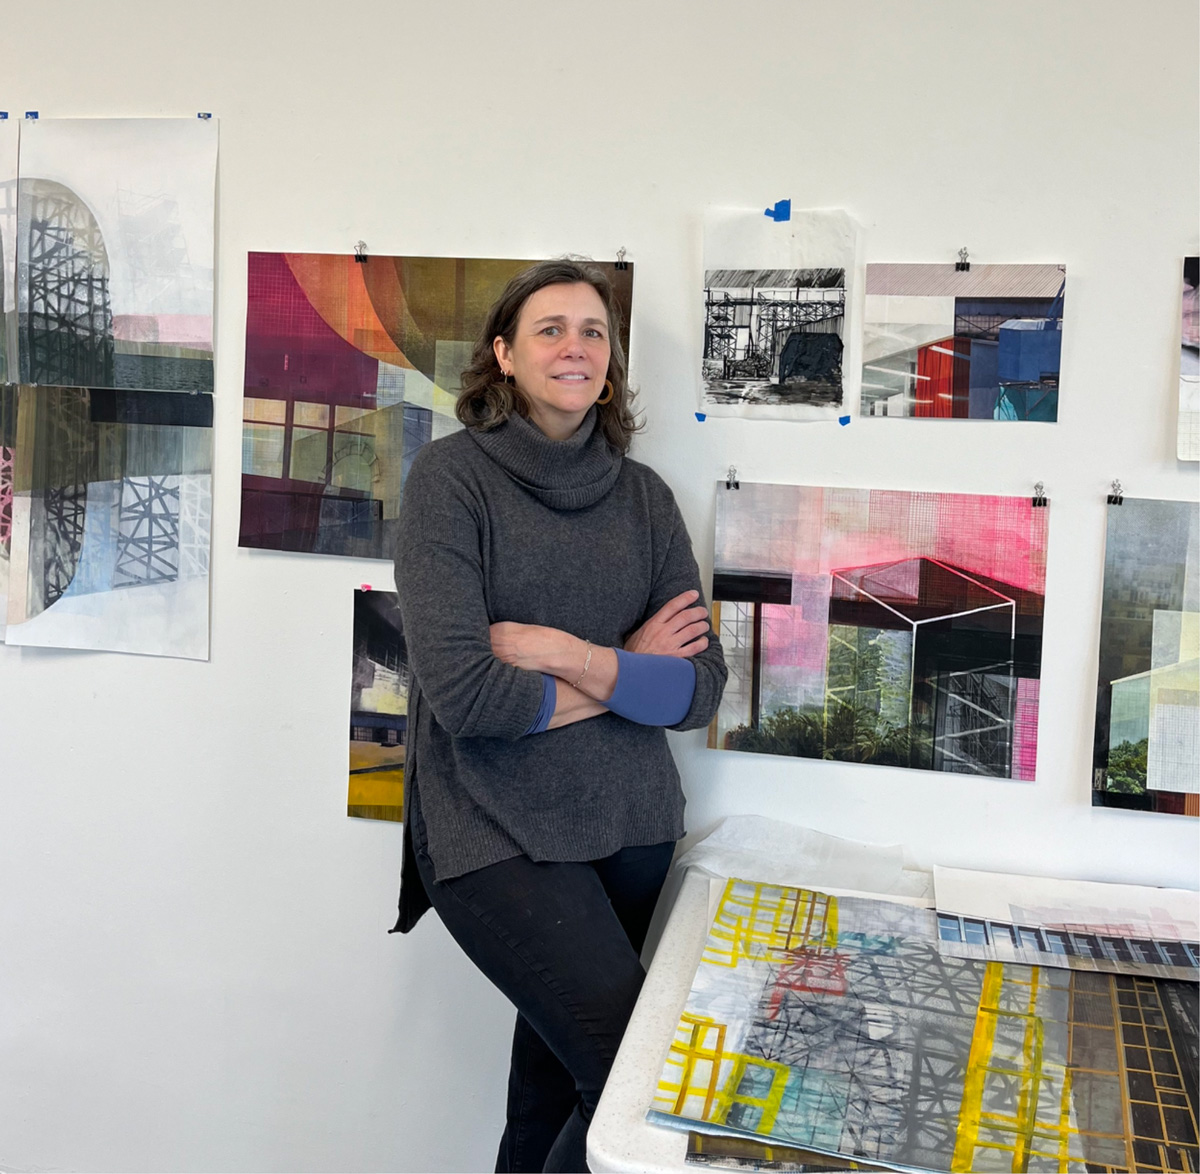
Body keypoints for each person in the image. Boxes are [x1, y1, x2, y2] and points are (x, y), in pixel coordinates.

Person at [390, 259, 727, 1173]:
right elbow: (466, 699)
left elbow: (698, 693)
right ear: (502, 353)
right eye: (550, 329)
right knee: (633, 1083)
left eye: (593, 331)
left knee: (555, 1093)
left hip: (631, 827)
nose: (574, 346)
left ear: (612, 362)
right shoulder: (450, 483)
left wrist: (569, 657)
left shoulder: (645, 497)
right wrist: (628, 672)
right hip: (490, 832)